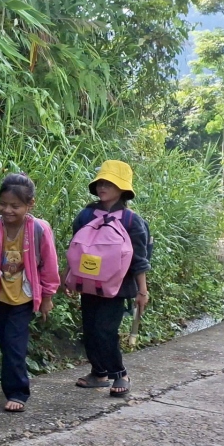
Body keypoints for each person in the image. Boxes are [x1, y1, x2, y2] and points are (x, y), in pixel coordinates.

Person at [0, 173, 60, 412]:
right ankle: (11, 385)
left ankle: (18, 392)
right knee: (4, 340)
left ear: (30, 205)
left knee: (14, 343)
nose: (7, 210)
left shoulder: (39, 230)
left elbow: (50, 266)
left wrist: (48, 298)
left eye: (15, 206)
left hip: (25, 296)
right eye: (3, 204)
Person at [64, 160, 151, 398]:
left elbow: (139, 259)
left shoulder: (132, 221)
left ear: (122, 188)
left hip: (119, 286)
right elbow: (75, 249)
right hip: (89, 282)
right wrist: (68, 277)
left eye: (109, 183)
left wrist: (142, 291)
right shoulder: (86, 215)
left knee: (105, 330)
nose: (103, 187)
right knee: (90, 329)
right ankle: (98, 372)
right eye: (100, 182)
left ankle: (119, 373)